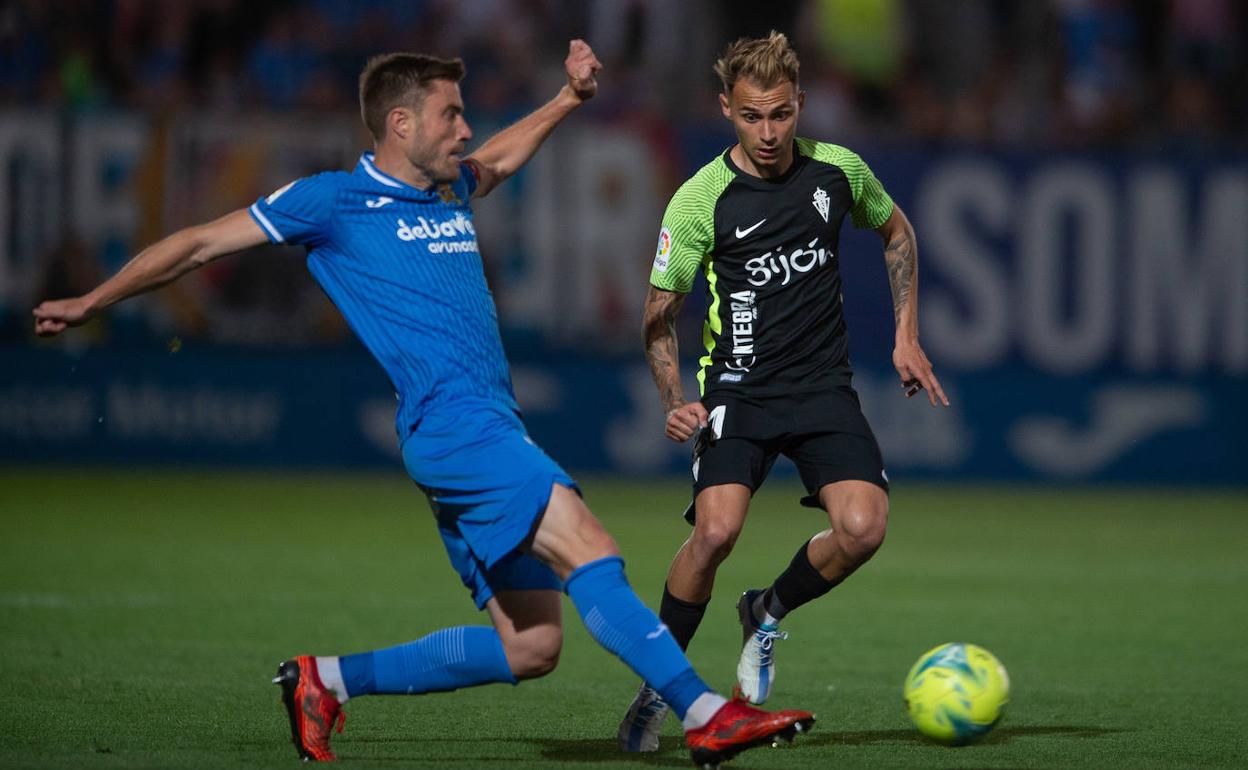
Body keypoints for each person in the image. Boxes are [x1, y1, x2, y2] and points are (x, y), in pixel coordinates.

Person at [33, 41, 816, 767]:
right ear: (400, 122)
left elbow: (499, 160)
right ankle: (705, 712)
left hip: (472, 432)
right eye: (451, 114)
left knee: (531, 646)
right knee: (589, 545)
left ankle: (325, 681)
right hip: (457, 428)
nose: (466, 128)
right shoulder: (333, 203)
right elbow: (199, 243)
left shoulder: (448, 187)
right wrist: (95, 299)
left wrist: (568, 99)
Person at [617, 31, 949, 752]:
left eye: (779, 114)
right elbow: (657, 313)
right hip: (738, 389)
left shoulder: (838, 172)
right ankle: (658, 682)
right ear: (726, 110)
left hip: (824, 386)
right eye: (750, 116)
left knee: (864, 528)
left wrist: (905, 334)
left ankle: (764, 611)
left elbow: (896, 234)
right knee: (715, 531)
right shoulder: (701, 198)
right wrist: (674, 397)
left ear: (799, 105)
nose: (767, 133)